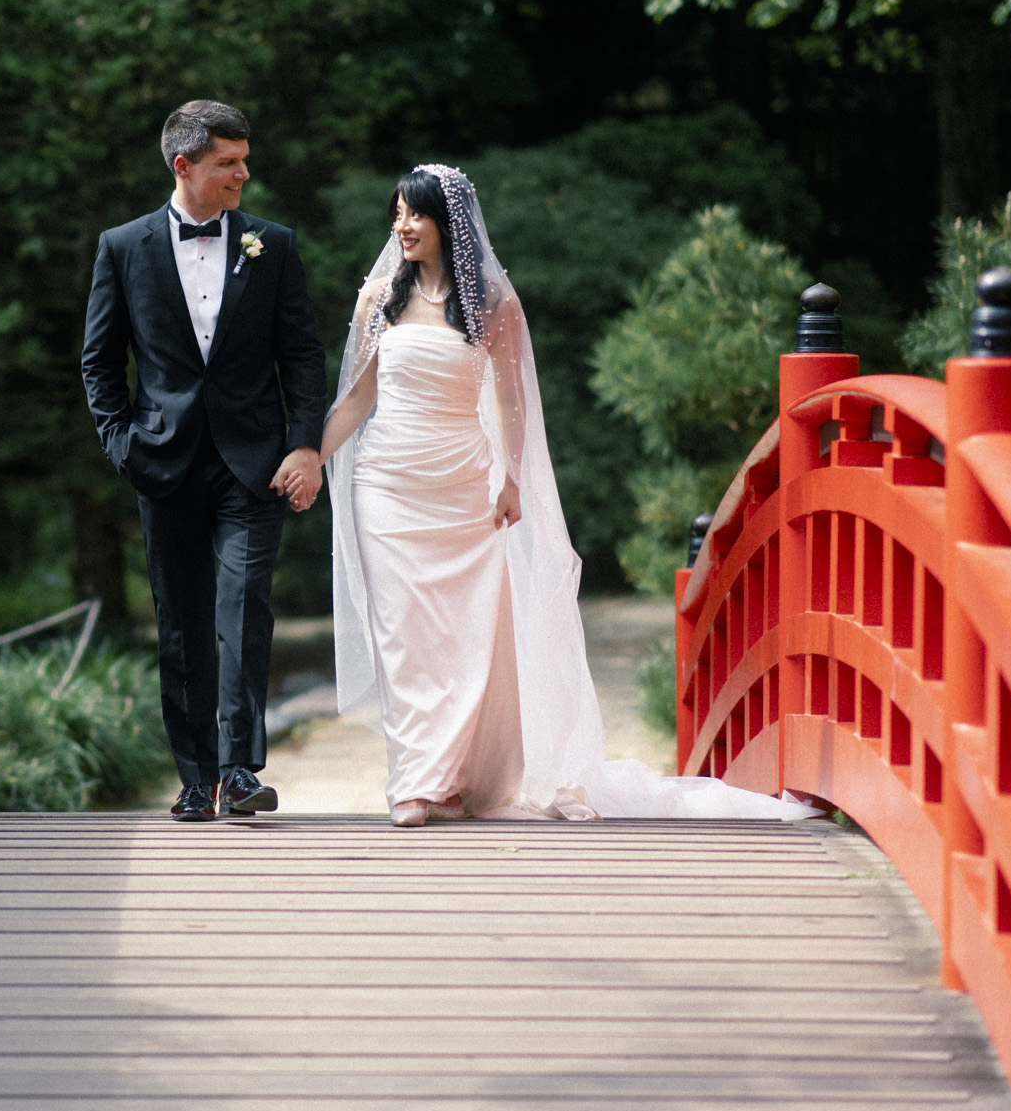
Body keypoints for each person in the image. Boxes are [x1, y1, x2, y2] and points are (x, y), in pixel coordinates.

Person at [314, 164, 813, 827]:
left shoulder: (494, 305)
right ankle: (413, 780)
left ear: (448, 223)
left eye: (416, 214)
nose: (402, 225)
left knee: (464, 639)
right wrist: (305, 457)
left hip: (462, 485)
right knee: (402, 633)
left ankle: (451, 776)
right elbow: (356, 399)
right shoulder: (376, 298)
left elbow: (512, 400)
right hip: (386, 485)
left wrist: (510, 477)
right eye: (397, 213)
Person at [81, 101, 329, 821]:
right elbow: (100, 363)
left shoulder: (272, 245)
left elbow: (303, 356)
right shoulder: (122, 247)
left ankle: (238, 772)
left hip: (254, 463)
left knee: (244, 604)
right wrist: (122, 445)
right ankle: (194, 781)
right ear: (183, 165)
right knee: (182, 622)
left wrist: (306, 444)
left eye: (245, 159)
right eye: (229, 163)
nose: (244, 174)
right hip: (162, 462)